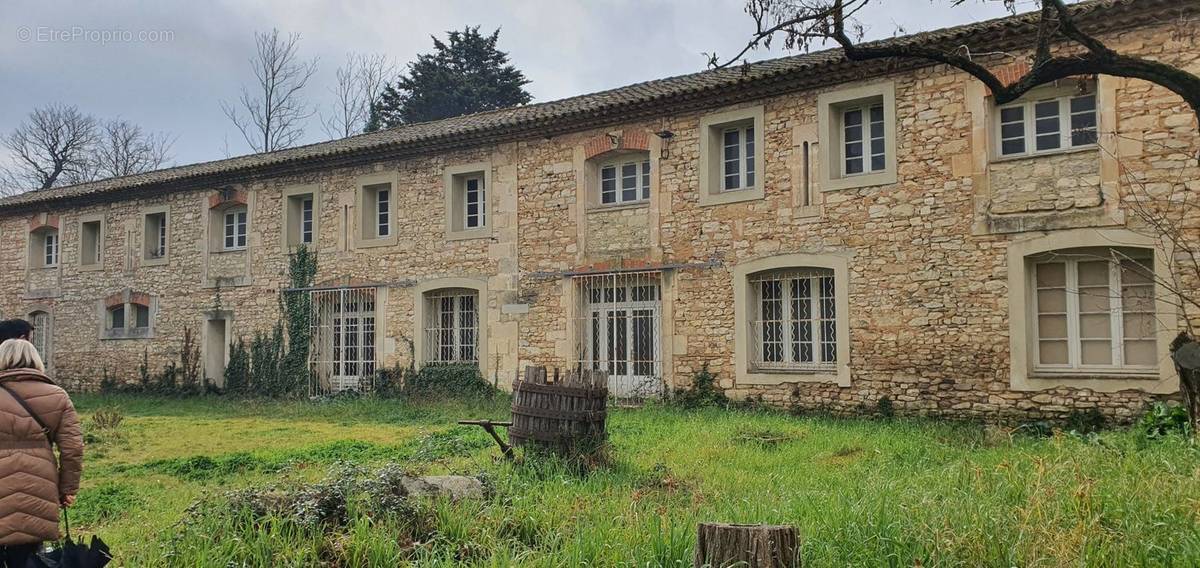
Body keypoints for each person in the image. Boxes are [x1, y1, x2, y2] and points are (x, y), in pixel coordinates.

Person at [0, 339, 82, 567]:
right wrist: (67, 489)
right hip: (37, 486)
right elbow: (72, 449)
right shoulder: (57, 395)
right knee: (27, 557)